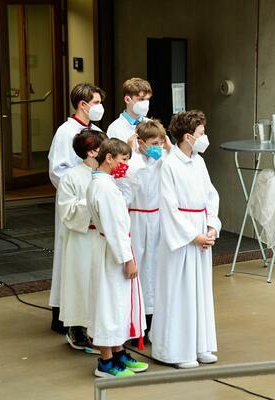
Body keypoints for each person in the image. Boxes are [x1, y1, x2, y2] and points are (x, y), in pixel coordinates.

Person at [150, 110, 221, 369]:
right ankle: (175, 351)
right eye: (201, 133)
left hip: (201, 227)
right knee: (179, 292)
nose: (205, 137)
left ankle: (200, 345)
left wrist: (211, 225)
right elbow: (169, 207)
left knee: (200, 290)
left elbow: (211, 195)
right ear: (188, 137)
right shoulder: (170, 165)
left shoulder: (198, 162)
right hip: (183, 236)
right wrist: (193, 236)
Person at [86, 139, 149, 378]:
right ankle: (106, 361)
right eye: (123, 159)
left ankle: (118, 352)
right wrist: (127, 259)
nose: (125, 165)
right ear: (109, 157)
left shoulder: (107, 183)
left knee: (119, 303)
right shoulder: (103, 188)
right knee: (109, 304)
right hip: (112, 251)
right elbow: (113, 226)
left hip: (113, 247)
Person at [47, 83, 106, 334]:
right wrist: (81, 187)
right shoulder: (65, 132)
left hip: (96, 203)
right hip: (75, 202)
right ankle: (64, 314)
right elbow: (57, 170)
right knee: (69, 258)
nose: (100, 107)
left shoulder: (98, 131)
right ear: (83, 104)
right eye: (96, 103)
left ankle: (87, 314)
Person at [56, 130, 107, 353]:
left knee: (102, 283)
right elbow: (67, 211)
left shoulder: (107, 173)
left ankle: (103, 330)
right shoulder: (71, 177)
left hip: (104, 236)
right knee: (81, 281)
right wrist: (92, 202)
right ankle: (78, 328)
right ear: (92, 152)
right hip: (82, 237)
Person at [126, 119, 172, 336]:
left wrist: (169, 148)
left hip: (157, 218)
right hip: (136, 219)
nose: (158, 147)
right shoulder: (133, 161)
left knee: (154, 268)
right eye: (154, 143)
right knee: (139, 265)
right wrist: (132, 151)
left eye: (160, 142)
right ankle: (135, 319)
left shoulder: (163, 159)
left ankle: (153, 318)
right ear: (141, 142)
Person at [106, 77, 152, 147]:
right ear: (127, 100)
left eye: (147, 99)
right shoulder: (115, 128)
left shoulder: (151, 124)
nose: (145, 103)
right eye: (141, 99)